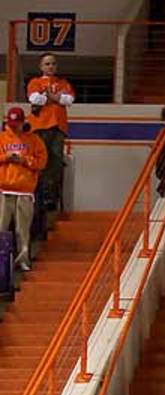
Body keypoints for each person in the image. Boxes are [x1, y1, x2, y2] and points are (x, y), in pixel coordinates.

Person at [0, 106, 47, 272]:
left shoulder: (33, 140)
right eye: (11, 124)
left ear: (22, 122)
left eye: (17, 124)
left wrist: (26, 161)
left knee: (23, 230)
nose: (14, 127)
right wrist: (6, 158)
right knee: (1, 228)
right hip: (4, 191)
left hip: (25, 191)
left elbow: (42, 162)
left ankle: (22, 260)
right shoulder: (2, 138)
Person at [25, 52, 74, 209]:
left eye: (53, 63)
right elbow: (35, 99)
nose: (50, 66)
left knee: (55, 161)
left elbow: (69, 99)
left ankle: (50, 197)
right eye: (47, 64)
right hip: (39, 127)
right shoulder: (35, 82)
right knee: (39, 160)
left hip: (58, 127)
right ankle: (36, 192)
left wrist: (48, 95)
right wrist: (56, 97)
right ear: (41, 66)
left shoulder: (63, 82)